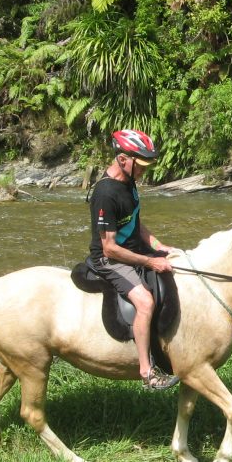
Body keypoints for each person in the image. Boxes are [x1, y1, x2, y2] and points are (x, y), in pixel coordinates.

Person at [87, 129, 182, 390]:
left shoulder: (129, 182)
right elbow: (110, 249)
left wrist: (158, 246)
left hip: (133, 250)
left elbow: (135, 224)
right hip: (110, 260)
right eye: (140, 165)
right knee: (144, 302)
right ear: (122, 159)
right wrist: (150, 262)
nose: (144, 171)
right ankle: (147, 371)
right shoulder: (105, 195)